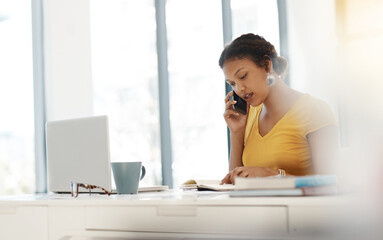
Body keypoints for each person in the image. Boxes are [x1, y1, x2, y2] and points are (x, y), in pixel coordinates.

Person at [219, 33, 339, 184]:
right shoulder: (248, 116)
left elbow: (332, 184)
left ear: (267, 65)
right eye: (232, 83)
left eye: (243, 76)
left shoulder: (315, 111)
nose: (240, 89)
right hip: (258, 208)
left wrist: (274, 175)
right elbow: (234, 184)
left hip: (300, 208)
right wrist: (236, 133)